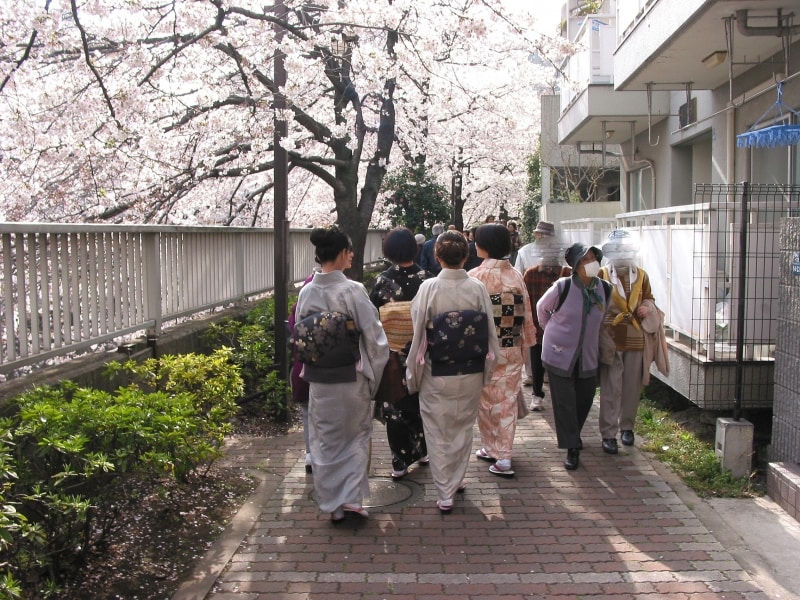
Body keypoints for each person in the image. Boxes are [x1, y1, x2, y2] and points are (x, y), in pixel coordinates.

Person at [294, 225, 390, 523]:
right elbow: (375, 339)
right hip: (352, 377)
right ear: (340, 254)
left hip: (320, 379)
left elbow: (301, 335)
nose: (352, 255)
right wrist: (373, 377)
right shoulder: (352, 291)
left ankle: (332, 503)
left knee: (325, 440)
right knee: (356, 437)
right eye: (349, 251)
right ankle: (351, 499)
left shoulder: (307, 292)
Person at [406, 230, 500, 513]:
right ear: (466, 256)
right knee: (462, 428)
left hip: (438, 370)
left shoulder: (429, 288)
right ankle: (456, 479)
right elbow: (490, 334)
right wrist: (488, 369)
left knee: (437, 430)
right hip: (470, 370)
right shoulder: (477, 288)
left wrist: (413, 371)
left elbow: (417, 327)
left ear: (437, 257)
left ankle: (445, 491)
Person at [468, 224, 535, 477]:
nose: (474, 244)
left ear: (485, 246)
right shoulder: (516, 276)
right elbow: (526, 312)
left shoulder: (475, 276)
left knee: (485, 401)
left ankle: (501, 455)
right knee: (505, 401)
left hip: (483, 347)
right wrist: (528, 341)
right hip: (510, 346)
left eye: (477, 241)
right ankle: (495, 449)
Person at [536, 242, 610, 471]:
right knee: (564, 402)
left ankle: (574, 435)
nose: (591, 264)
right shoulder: (563, 286)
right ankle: (571, 448)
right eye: (586, 260)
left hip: (588, 353)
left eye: (593, 258)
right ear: (576, 266)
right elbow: (541, 308)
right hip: (559, 352)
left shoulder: (605, 289)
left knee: (585, 398)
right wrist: (551, 330)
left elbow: (605, 316)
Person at [369, 227, 434, 479]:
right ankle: (423, 451)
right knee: (422, 402)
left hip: (392, 353)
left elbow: (373, 319)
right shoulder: (427, 279)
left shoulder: (382, 281)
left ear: (388, 252)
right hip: (422, 352)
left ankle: (399, 461)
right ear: (414, 249)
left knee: (395, 406)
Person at [597, 230, 655, 455]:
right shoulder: (602, 274)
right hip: (610, 335)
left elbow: (650, 298)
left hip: (635, 335)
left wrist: (646, 307)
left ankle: (627, 427)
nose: (622, 254)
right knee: (611, 385)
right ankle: (608, 433)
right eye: (617, 249)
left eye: (625, 249)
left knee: (632, 384)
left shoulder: (641, 275)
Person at [523, 237, 571, 411]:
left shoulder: (567, 273)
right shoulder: (530, 274)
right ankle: (537, 395)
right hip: (537, 327)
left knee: (559, 363)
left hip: (561, 329)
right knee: (536, 362)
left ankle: (561, 396)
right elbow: (525, 302)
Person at [515, 220, 558, 387]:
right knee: (531, 337)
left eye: (547, 235)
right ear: (535, 235)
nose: (543, 237)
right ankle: (531, 373)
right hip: (531, 295)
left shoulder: (559, 253)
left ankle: (546, 371)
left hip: (553, 299)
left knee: (550, 336)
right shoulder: (525, 251)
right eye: (541, 234)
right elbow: (518, 274)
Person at [288, 271, 316, 473]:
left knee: (307, 411)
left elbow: (293, 329)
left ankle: (310, 454)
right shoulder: (348, 291)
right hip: (337, 369)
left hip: (305, 367)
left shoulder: (300, 304)